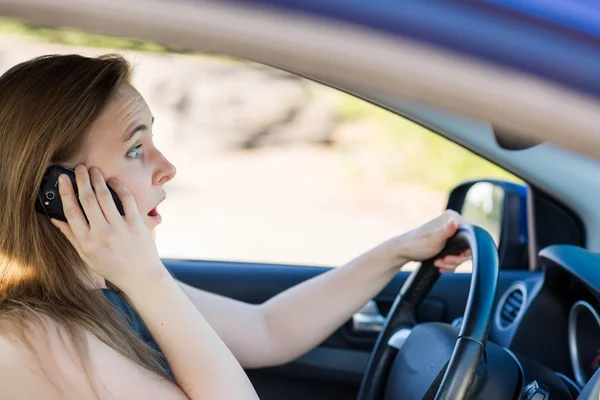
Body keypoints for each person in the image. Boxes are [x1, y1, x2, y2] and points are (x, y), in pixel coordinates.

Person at [0, 54, 470, 399]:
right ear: (53, 191)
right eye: (135, 150)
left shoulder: (103, 292)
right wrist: (145, 277)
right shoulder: (34, 336)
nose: (167, 168)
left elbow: (268, 330)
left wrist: (398, 251)